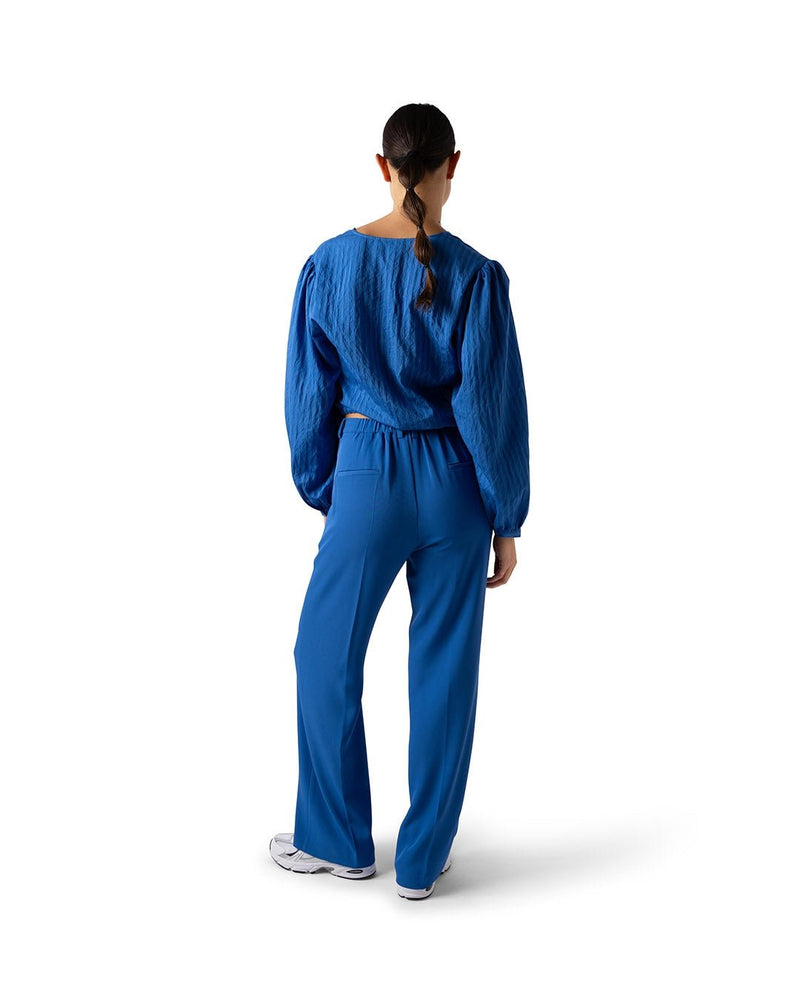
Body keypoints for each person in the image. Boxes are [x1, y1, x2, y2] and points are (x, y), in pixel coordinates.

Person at [270, 103, 530, 900]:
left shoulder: (329, 265)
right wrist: (505, 517)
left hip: (366, 473)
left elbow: (307, 397)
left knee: (323, 654)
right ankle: (421, 861)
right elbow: (491, 407)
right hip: (455, 484)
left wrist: (328, 488)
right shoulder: (478, 276)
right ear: (454, 166)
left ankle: (339, 841)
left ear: (382, 166)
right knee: (445, 669)